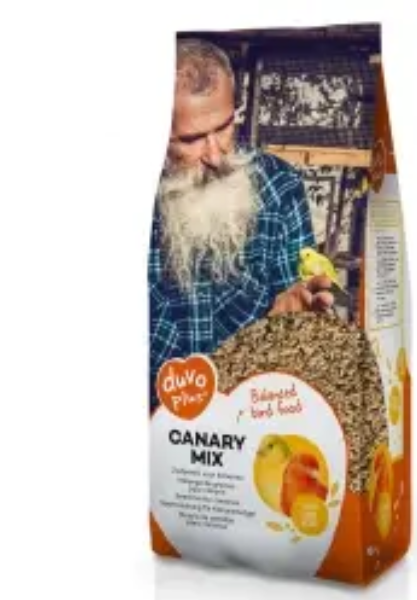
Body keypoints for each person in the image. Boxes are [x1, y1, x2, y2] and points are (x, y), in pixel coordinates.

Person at [149, 38, 334, 395]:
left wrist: (289, 324)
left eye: (224, 127)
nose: (215, 156)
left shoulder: (280, 187)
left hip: (253, 411)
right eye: (190, 140)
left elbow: (298, 336)